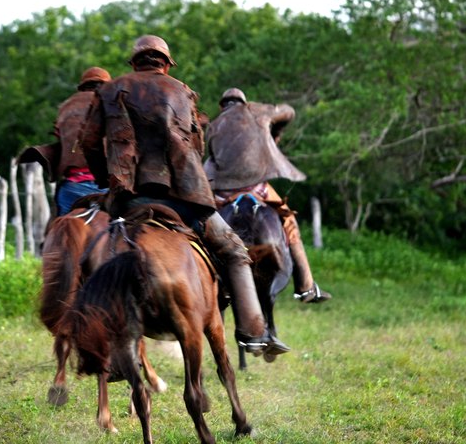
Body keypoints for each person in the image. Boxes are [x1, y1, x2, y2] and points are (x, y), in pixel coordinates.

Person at [79, 35, 289, 358]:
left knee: (91, 253)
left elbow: (90, 142)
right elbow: (197, 145)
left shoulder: (109, 90)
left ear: (134, 63)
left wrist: (103, 179)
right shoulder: (183, 90)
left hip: (127, 198)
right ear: (165, 63)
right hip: (184, 198)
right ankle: (253, 332)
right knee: (233, 250)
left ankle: (95, 333)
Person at [204, 87, 332, 303]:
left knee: (202, 227)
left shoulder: (214, 126)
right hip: (256, 187)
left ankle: (209, 282)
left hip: (223, 191)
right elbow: (288, 111)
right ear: (244, 102)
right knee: (289, 221)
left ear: (221, 106)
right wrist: (275, 133)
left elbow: (212, 158)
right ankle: (306, 286)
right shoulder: (257, 113)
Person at [19, 67, 110, 216]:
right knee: (126, 231)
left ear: (82, 87)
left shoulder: (66, 106)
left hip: (73, 188)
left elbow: (60, 138)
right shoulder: (114, 105)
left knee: (58, 233)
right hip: (106, 190)